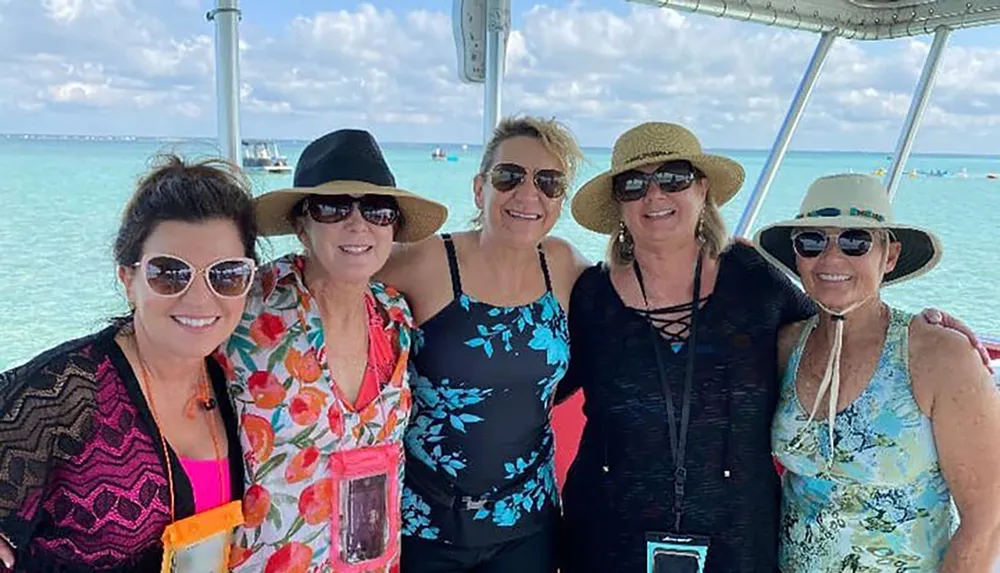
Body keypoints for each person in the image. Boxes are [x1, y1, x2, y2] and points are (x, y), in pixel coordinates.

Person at [553, 122, 989, 573]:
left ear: (702, 190)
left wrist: (924, 328)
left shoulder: (753, 277)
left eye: (674, 178)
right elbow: (531, 380)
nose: (655, 195)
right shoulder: (590, 298)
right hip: (605, 540)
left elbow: (837, 308)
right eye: (634, 184)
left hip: (738, 545)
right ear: (618, 205)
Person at [0, 155, 257, 572]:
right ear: (128, 280)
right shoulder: (65, 392)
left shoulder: (234, 380)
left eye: (225, 274)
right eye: (169, 273)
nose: (199, 298)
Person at [221, 129, 448, 572]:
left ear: (394, 228)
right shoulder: (246, 308)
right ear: (302, 225)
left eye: (378, 210)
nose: (357, 224)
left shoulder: (395, 314)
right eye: (333, 207)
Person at [757, 173, 1000, 572]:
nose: (832, 258)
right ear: (797, 256)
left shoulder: (938, 356)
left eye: (855, 241)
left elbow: (986, 521)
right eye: (812, 241)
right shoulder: (786, 348)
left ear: (889, 256)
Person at [376, 116, 588, 572]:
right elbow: (343, 276)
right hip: (425, 521)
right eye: (509, 176)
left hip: (527, 523)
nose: (528, 194)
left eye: (548, 182)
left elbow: (640, 300)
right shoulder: (429, 261)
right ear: (479, 189)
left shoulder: (565, 266)